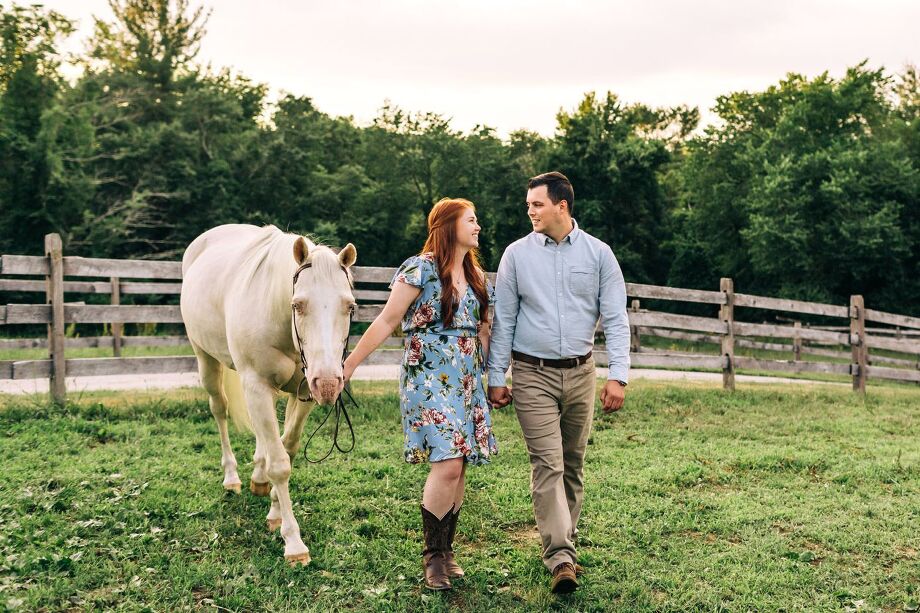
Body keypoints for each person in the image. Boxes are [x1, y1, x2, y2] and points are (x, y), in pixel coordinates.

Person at [343, 197, 497, 591]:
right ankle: (432, 556)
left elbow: (484, 329)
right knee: (446, 464)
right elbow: (388, 319)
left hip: (465, 377)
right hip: (427, 375)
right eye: (471, 220)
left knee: (459, 465)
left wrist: (495, 376)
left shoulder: (476, 276)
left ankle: (447, 551)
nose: (478, 227)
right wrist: (350, 363)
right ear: (448, 226)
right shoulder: (421, 268)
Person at [487, 171, 630, 594]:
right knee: (547, 464)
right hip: (532, 373)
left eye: (536, 204)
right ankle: (561, 556)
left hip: (582, 372)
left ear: (561, 206)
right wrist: (497, 376)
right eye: (529, 205)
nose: (529, 211)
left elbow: (616, 317)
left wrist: (617, 375)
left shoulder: (599, 254)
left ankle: (562, 539)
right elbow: (505, 321)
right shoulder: (515, 255)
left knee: (572, 463)